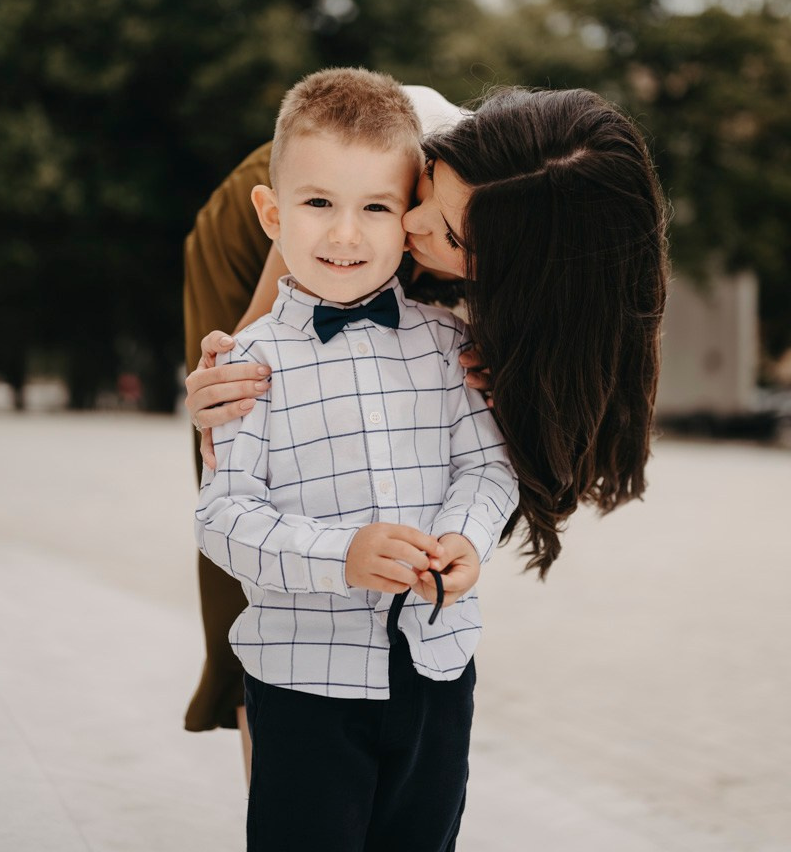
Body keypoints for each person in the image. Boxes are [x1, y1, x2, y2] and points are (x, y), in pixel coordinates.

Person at [185, 76, 668, 758]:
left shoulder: (548, 294)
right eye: (428, 193)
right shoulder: (405, 156)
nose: (412, 224)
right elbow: (262, 348)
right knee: (263, 557)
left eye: (447, 233)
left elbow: (486, 451)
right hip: (298, 213)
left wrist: (501, 381)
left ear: (513, 276)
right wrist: (216, 395)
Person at [194, 67, 519, 851]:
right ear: (272, 213)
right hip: (308, 681)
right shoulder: (249, 365)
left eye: (376, 207)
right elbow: (223, 517)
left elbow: (488, 468)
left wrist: (466, 538)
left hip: (436, 669)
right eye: (317, 205)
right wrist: (345, 553)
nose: (346, 235)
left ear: (411, 210)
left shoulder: (450, 344)